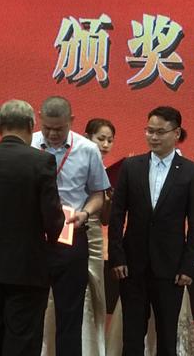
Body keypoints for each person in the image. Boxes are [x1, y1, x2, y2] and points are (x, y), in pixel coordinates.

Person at [0, 100, 65, 356]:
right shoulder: (42, 161)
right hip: (26, 266)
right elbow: (52, 218)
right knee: (22, 339)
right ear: (31, 125)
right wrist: (54, 240)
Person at [109, 106, 194, 356]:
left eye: (160, 132)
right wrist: (117, 256)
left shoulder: (192, 172)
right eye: (149, 131)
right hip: (132, 265)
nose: (153, 137)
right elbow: (117, 215)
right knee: (132, 336)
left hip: (170, 268)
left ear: (176, 133)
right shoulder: (131, 166)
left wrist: (188, 266)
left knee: (167, 337)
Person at [33, 96, 109, 356]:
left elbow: (98, 193)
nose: (53, 134)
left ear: (72, 121)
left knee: (70, 313)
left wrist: (85, 213)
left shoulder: (88, 149)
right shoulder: (29, 144)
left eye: (59, 128)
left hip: (72, 236)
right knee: (30, 311)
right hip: (34, 238)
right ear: (39, 118)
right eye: (47, 128)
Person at [81, 118, 115, 355]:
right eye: (100, 139)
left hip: (94, 236)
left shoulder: (107, 171)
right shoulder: (77, 164)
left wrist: (109, 201)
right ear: (87, 137)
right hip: (73, 230)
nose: (105, 144)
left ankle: (93, 347)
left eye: (110, 140)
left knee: (95, 291)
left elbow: (105, 220)